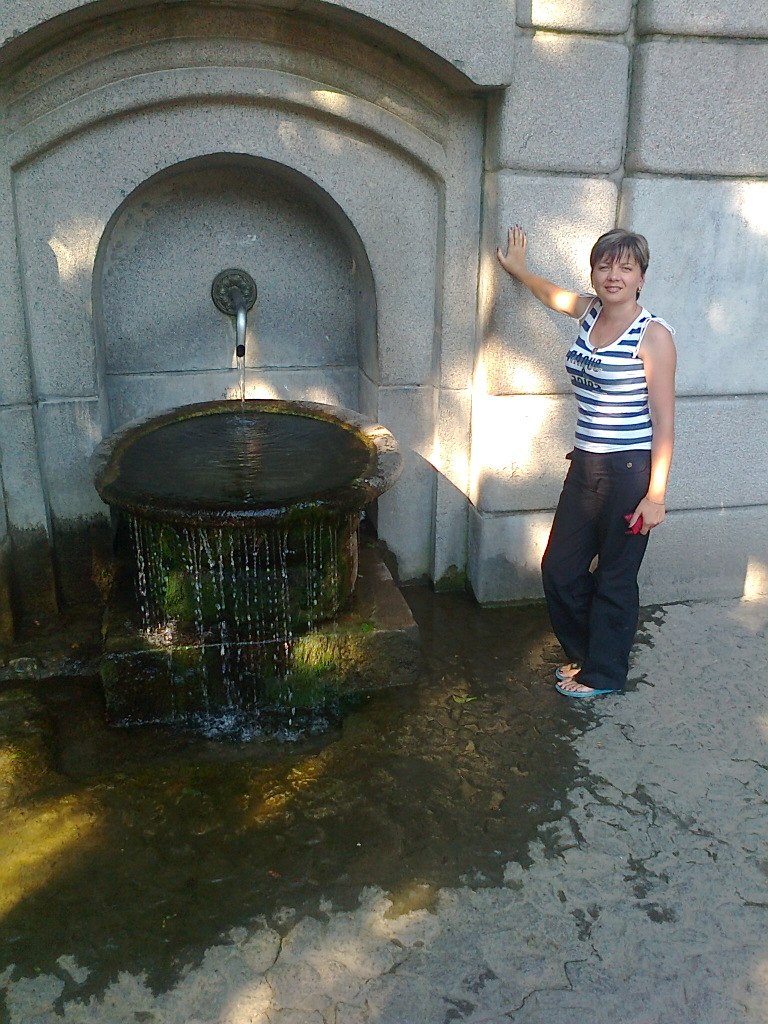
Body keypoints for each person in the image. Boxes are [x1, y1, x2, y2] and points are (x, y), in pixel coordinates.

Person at [496, 225, 677, 698]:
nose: (614, 275)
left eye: (626, 267)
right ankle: (588, 654)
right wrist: (520, 271)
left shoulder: (653, 336)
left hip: (630, 474)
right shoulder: (590, 312)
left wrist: (656, 497)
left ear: (641, 277)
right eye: (604, 265)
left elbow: (664, 423)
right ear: (594, 273)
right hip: (585, 467)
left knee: (615, 577)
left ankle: (604, 675)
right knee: (560, 569)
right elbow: (552, 295)